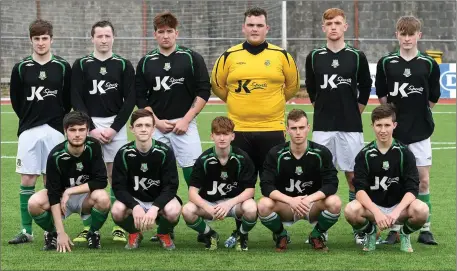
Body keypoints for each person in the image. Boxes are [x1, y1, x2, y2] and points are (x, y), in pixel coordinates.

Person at [211, 6, 299, 247]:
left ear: (267, 28)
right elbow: (218, 87)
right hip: (239, 131)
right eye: (251, 25)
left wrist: (271, 103)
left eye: (259, 25)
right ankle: (242, 231)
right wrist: (239, 102)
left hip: (272, 130)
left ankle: (279, 231)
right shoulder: (229, 56)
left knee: (275, 186)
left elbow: (291, 86)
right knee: (240, 184)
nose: (255, 29)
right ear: (244, 27)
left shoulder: (282, 55)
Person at [135, 11, 210, 241]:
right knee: (157, 176)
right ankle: (165, 226)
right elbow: (140, 96)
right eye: (161, 32)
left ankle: (201, 220)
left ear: (176, 33)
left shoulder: (191, 57)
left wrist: (186, 120)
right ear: (155, 35)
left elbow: (204, 91)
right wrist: (155, 121)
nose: (165, 36)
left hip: (185, 124)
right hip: (157, 125)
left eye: (169, 31)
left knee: (193, 174)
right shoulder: (147, 61)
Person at [304, 8, 372, 244]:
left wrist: (355, 112)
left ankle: (359, 228)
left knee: (353, 176)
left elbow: (365, 86)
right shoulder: (314, 56)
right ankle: (320, 229)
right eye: (329, 23)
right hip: (323, 127)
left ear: (345, 27)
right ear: (323, 28)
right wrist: (322, 109)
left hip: (351, 127)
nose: (333, 27)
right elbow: (312, 89)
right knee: (320, 178)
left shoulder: (356, 56)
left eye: (338, 23)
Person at [375, 15, 440, 245]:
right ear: (397, 35)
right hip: (396, 131)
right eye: (403, 34)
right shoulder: (386, 62)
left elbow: (432, 99)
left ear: (418, 36)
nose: (407, 38)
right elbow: (383, 97)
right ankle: (395, 228)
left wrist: (417, 114)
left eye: (411, 34)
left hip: (421, 131)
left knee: (423, 180)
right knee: (396, 179)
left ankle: (426, 229)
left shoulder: (429, 64)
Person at [71, 20, 136, 242]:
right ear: (92, 38)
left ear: (113, 37)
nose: (104, 40)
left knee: (115, 176)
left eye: (107, 36)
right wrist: (90, 128)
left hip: (115, 127)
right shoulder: (81, 64)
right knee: (90, 176)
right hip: (89, 127)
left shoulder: (124, 64)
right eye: (99, 36)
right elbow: (76, 97)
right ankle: (89, 227)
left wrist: (115, 128)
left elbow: (131, 100)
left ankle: (119, 226)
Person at [8, 19, 72, 244]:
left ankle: (52, 229)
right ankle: (26, 231)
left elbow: (67, 100)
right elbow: (16, 100)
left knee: (50, 180)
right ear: (31, 40)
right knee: (27, 178)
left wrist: (57, 122)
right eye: (37, 39)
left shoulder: (63, 66)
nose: (41, 43)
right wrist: (28, 119)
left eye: (45, 38)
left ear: (51, 39)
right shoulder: (21, 67)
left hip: (55, 129)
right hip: (29, 129)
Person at [344, 104, 429, 252]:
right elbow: (359, 191)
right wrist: (377, 213)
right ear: (372, 126)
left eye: (387, 125)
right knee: (351, 210)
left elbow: (412, 189)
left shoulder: (405, 153)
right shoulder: (364, 155)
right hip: (373, 208)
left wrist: (395, 213)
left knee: (422, 210)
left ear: (394, 125)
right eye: (379, 125)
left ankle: (404, 234)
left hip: (398, 208)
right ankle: (370, 232)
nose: (383, 130)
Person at [258, 109, 341, 252]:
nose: (298, 132)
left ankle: (316, 235)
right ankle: (281, 235)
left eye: (301, 128)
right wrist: (291, 201)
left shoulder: (321, 153)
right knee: (263, 205)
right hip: (287, 205)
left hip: (312, 204)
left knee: (335, 202)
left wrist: (309, 200)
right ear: (287, 130)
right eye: (294, 128)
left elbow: (332, 183)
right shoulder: (275, 153)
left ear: (308, 128)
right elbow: (266, 186)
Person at [27, 111, 110, 251]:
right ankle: (52, 233)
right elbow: (53, 194)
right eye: (72, 130)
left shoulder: (94, 146)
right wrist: (61, 232)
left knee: (103, 198)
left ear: (88, 131)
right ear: (65, 131)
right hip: (60, 198)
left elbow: (101, 181)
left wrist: (70, 191)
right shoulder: (55, 155)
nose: (77, 134)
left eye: (81, 129)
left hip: (85, 196)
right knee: (34, 203)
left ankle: (93, 232)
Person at [182, 116, 258, 251]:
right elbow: (192, 193)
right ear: (212, 136)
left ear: (232, 136)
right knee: (187, 210)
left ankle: (241, 235)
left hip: (233, 204)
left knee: (252, 208)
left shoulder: (242, 158)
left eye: (225, 134)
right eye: (218, 134)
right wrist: (208, 208)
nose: (222, 138)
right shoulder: (203, 159)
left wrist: (228, 204)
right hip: (211, 204)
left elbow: (250, 191)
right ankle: (210, 235)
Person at [110, 109, 181, 250]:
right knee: (117, 211)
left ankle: (163, 233)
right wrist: (135, 206)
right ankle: (135, 233)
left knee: (173, 210)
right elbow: (118, 187)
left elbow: (171, 186)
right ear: (132, 129)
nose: (143, 129)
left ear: (153, 129)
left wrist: (155, 208)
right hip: (135, 199)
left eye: (147, 125)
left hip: (158, 200)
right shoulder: (123, 153)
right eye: (139, 125)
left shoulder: (164, 152)